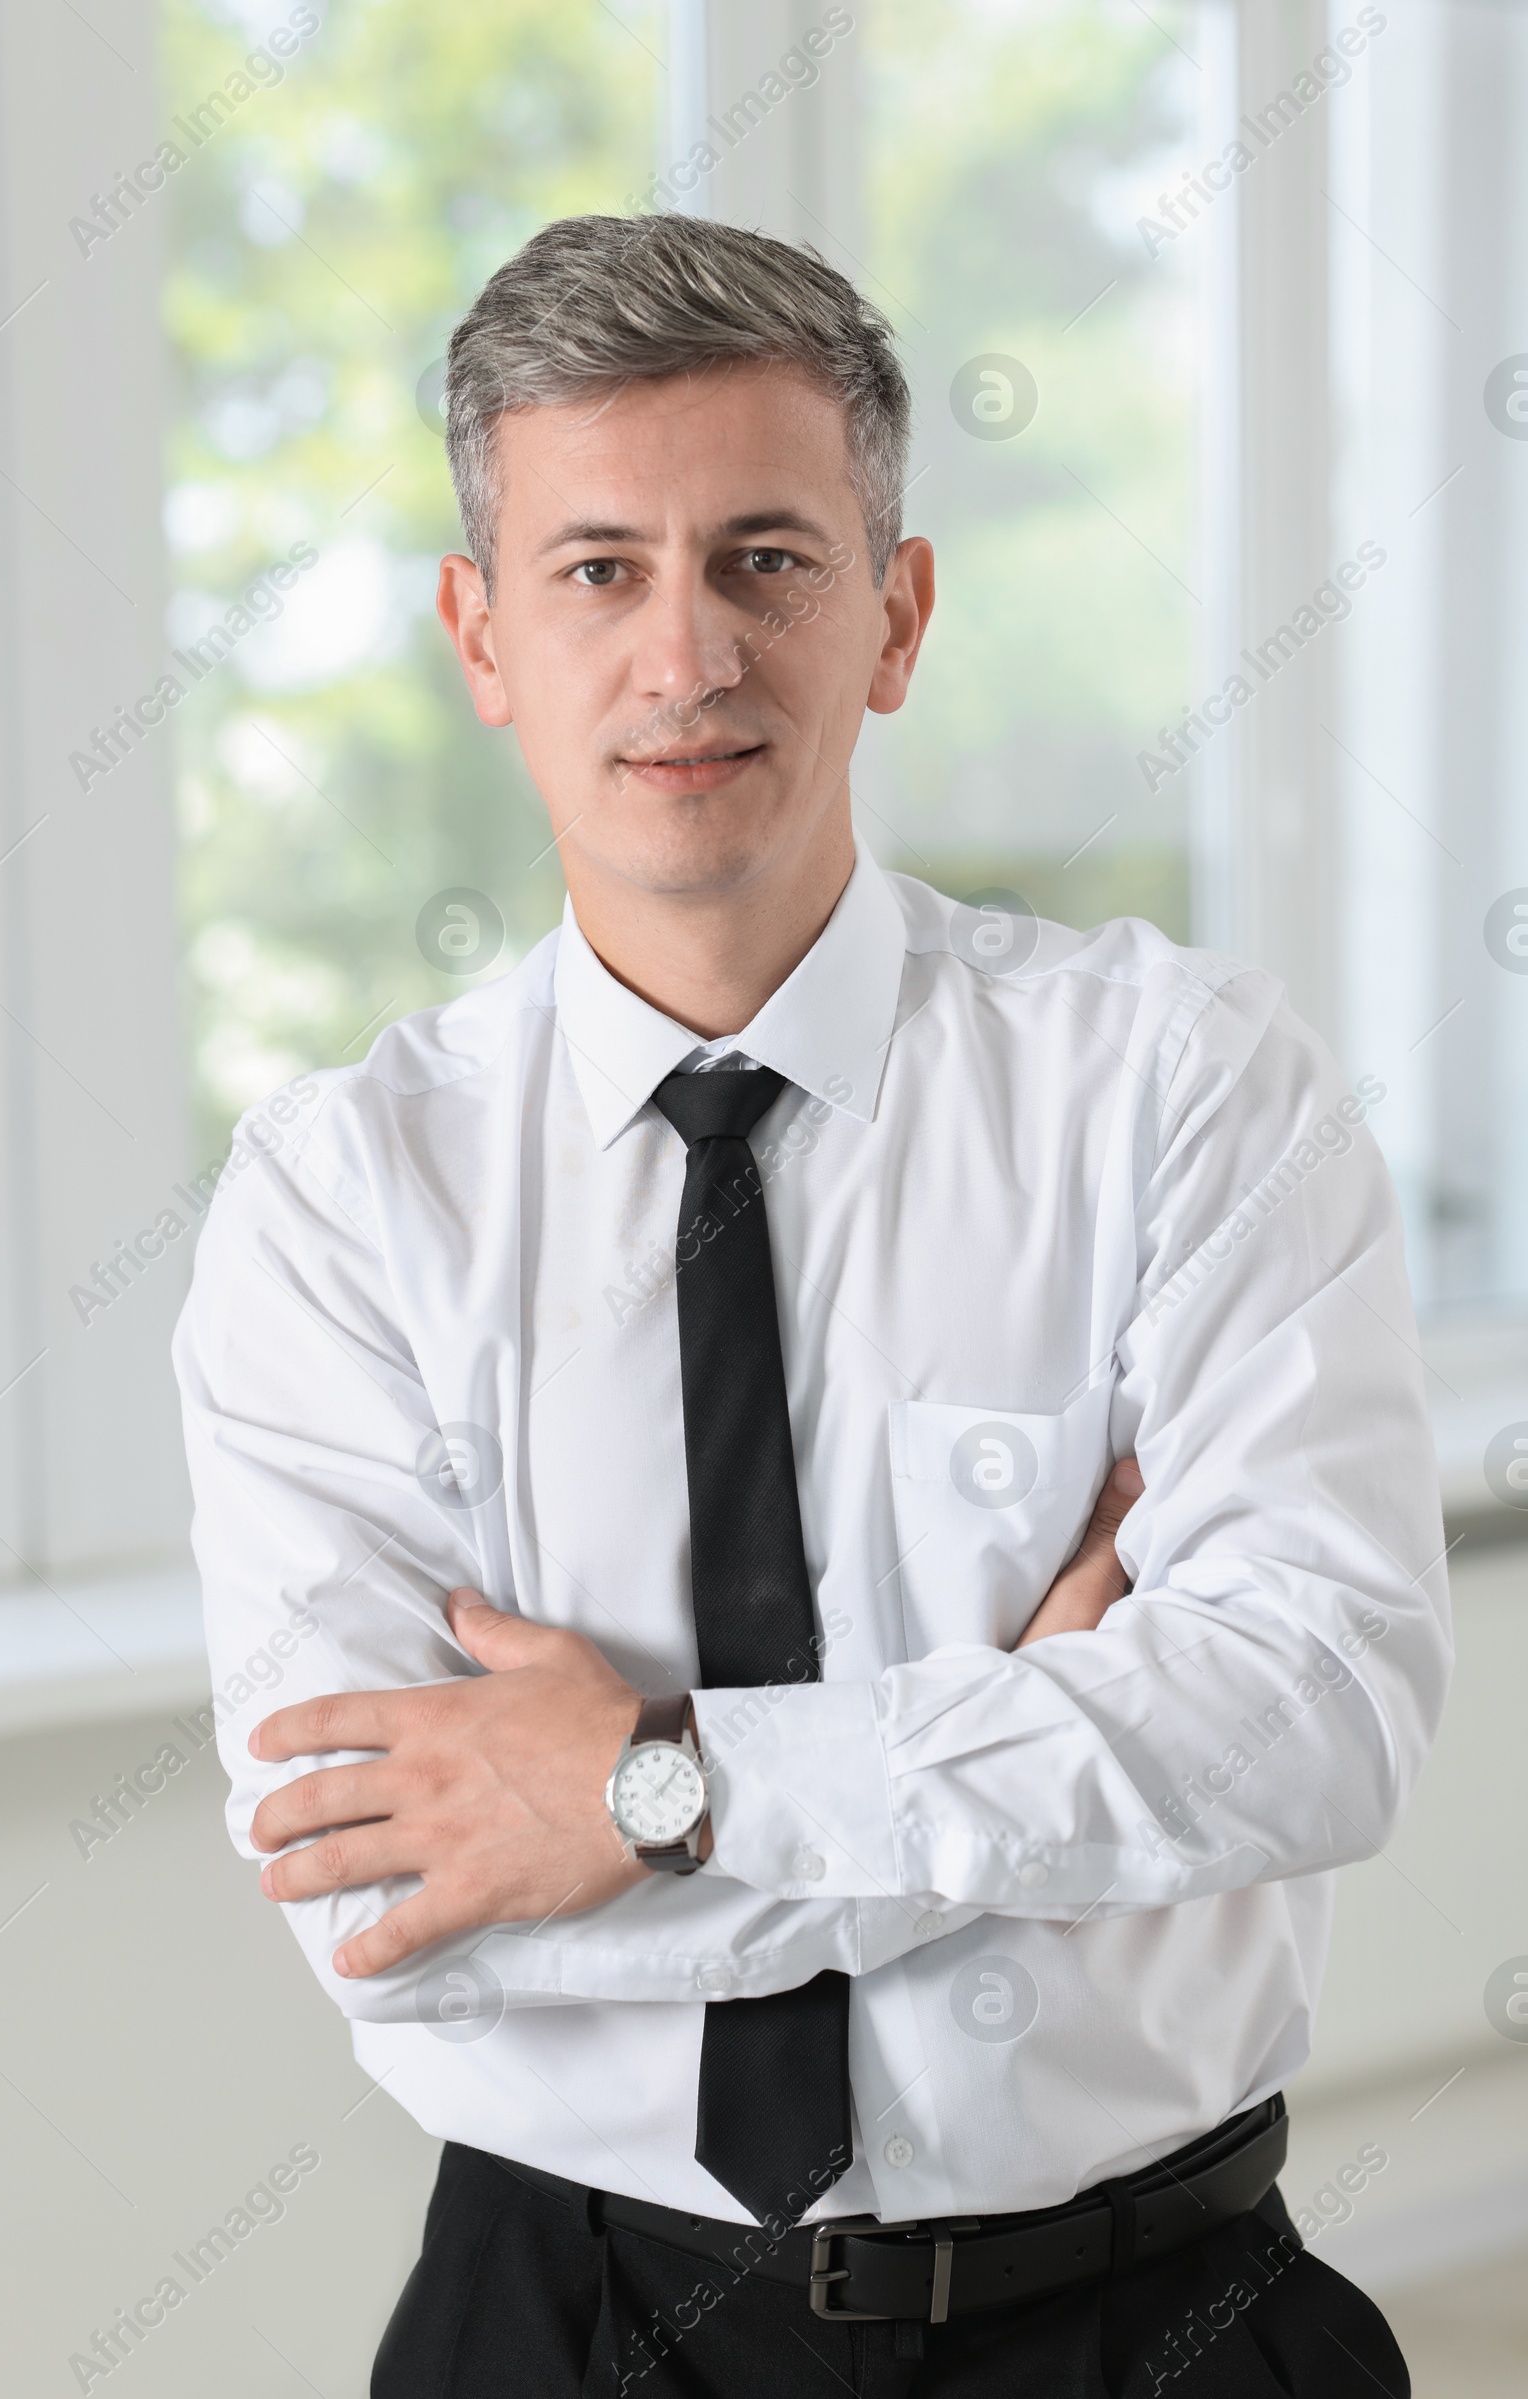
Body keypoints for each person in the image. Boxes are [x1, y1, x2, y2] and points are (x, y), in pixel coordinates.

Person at [173, 212, 1449, 2397]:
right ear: (479, 635)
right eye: (597, 570)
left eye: (765, 557)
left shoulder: (1177, 1086)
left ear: (897, 613)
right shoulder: (337, 1202)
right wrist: (1024, 1757)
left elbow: (1314, 1717)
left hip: (1153, 2316)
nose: (685, 658)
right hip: (555, 2327)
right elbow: (393, 1929)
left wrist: (644, 1794)